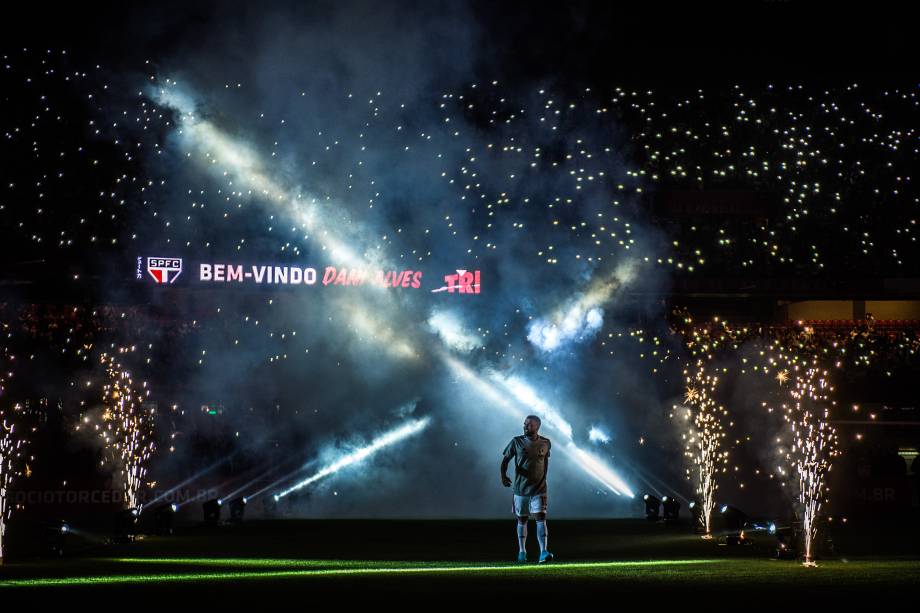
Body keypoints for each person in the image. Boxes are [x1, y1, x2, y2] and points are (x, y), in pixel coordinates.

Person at [501, 414, 553, 563]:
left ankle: (543, 552)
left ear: (537, 426)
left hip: (539, 488)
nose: (525, 426)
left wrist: (543, 478)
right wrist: (503, 476)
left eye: (528, 425)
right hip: (521, 489)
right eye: (524, 424)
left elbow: (545, 462)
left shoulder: (546, 443)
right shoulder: (516, 441)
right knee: (522, 519)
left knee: (541, 518)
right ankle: (522, 552)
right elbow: (505, 461)